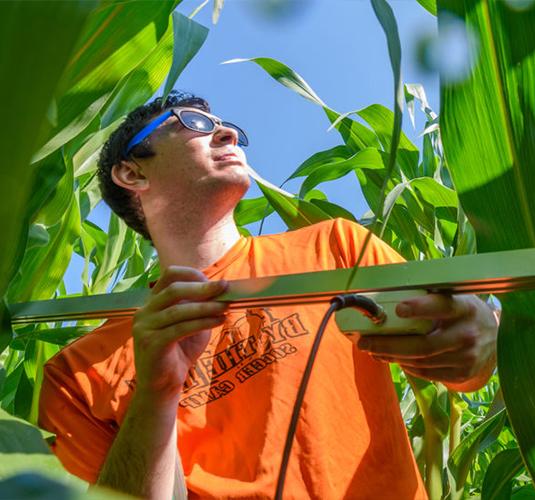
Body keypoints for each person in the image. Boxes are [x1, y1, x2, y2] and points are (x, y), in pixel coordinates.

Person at [38, 92, 499, 499]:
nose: (226, 134)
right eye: (195, 123)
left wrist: (483, 334)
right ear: (132, 172)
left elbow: (465, 361)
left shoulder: (335, 249)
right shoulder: (77, 376)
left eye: (229, 128)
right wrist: (156, 394)